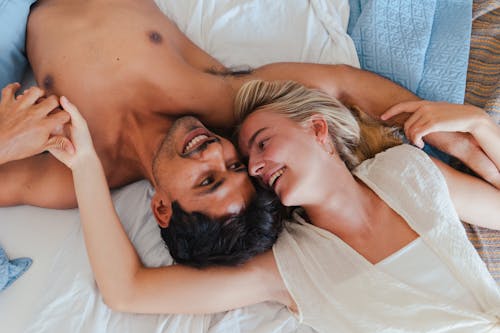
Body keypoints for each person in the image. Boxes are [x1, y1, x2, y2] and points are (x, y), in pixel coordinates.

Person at [45, 80, 500, 332]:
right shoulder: (287, 265)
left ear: (318, 130)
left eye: (261, 145)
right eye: (246, 164)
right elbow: (128, 290)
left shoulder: (408, 173)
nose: (257, 166)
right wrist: (84, 162)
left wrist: (481, 128)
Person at [0, 0, 493, 212]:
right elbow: (344, 85)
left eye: (208, 179)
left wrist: (3, 143)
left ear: (162, 208)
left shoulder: (75, 168)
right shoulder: (222, 97)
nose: (216, 152)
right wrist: (470, 141)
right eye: (236, 164)